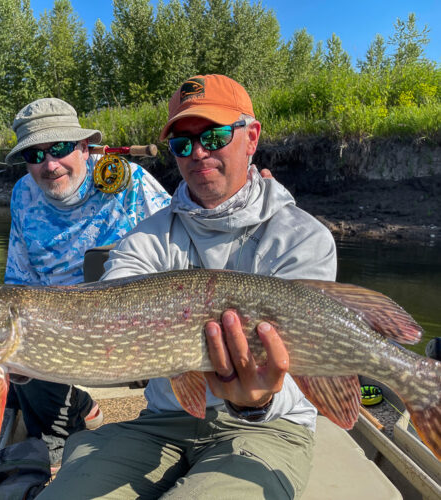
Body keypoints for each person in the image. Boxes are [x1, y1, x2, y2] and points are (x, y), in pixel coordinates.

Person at [40, 75, 337, 499]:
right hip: (164, 420)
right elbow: (106, 311)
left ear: (250, 137)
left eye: (213, 136)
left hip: (268, 427)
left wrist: (254, 402)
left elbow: (306, 363)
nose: (198, 153)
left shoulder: (303, 238)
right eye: (182, 143)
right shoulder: (148, 236)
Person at [3, 97, 171, 464]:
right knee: (13, 352)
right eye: (35, 154)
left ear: (83, 146)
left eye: (60, 149)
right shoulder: (23, 195)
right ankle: (71, 413)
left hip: (137, 326)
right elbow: (18, 279)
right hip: (55, 329)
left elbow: (182, 243)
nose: (50, 165)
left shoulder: (128, 180)